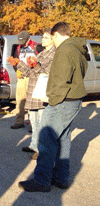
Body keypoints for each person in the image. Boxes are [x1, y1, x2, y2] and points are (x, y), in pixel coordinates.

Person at [19, 22, 88, 192]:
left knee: (47, 139)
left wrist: (53, 99)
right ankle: (61, 178)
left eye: (51, 37)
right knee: (63, 140)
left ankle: (42, 181)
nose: (51, 41)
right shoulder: (78, 49)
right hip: (73, 100)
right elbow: (81, 71)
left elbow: (61, 79)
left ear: (57, 34)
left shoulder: (64, 49)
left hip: (62, 101)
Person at [8, 29, 56, 160]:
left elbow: (46, 73)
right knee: (34, 120)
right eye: (43, 37)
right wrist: (19, 64)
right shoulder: (42, 54)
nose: (43, 40)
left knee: (41, 122)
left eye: (46, 38)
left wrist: (35, 66)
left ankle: (42, 150)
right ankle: (34, 145)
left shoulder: (54, 54)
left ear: (53, 39)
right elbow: (30, 72)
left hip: (42, 90)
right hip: (33, 89)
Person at [10, 31, 37, 129]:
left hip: (32, 77)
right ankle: (19, 121)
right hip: (21, 77)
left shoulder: (35, 47)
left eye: (24, 41)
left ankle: (32, 124)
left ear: (29, 39)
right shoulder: (18, 48)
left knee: (31, 101)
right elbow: (15, 61)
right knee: (20, 100)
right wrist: (17, 70)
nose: (22, 44)